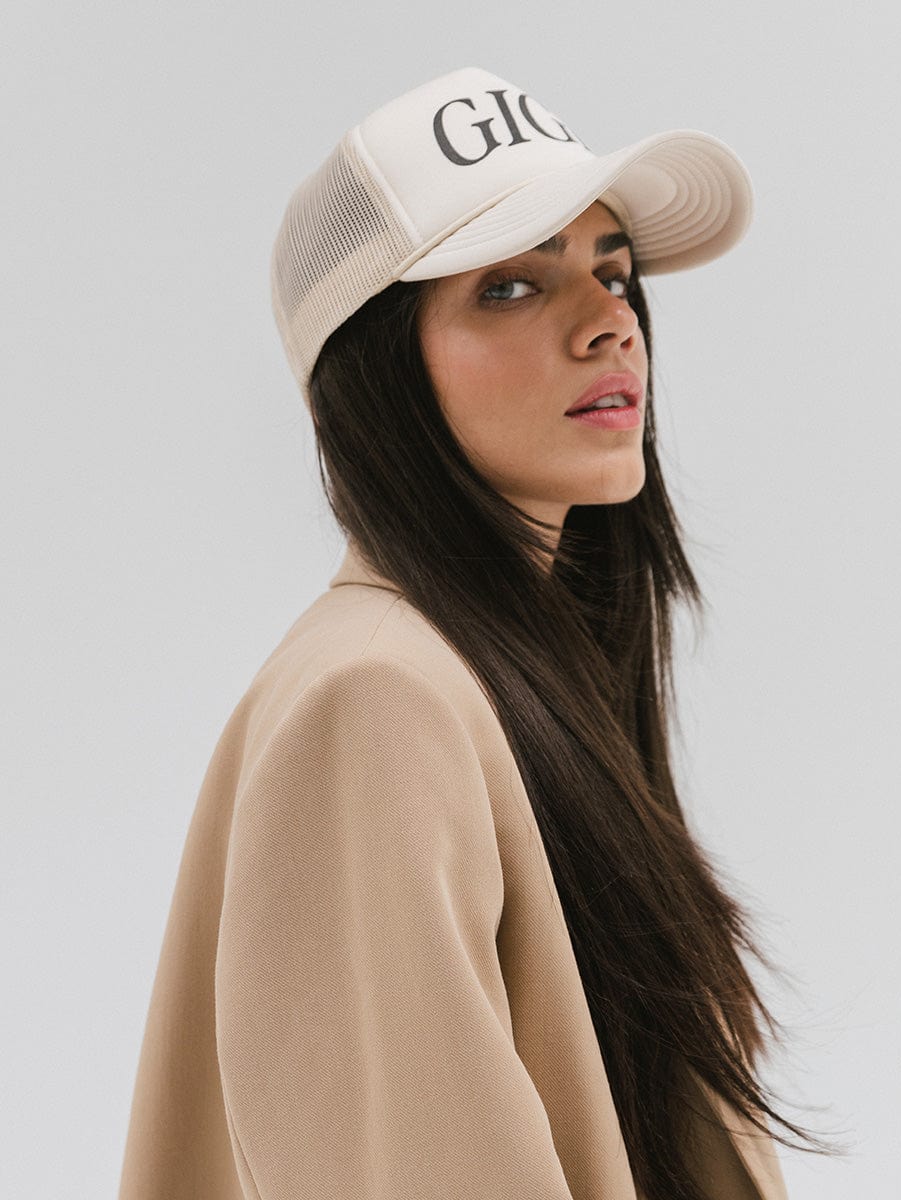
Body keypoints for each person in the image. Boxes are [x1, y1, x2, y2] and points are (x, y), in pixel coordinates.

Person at [117, 66, 844, 1200]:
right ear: (379, 375)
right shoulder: (376, 702)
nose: (609, 321)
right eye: (510, 286)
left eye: (614, 272)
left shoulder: (499, 682)